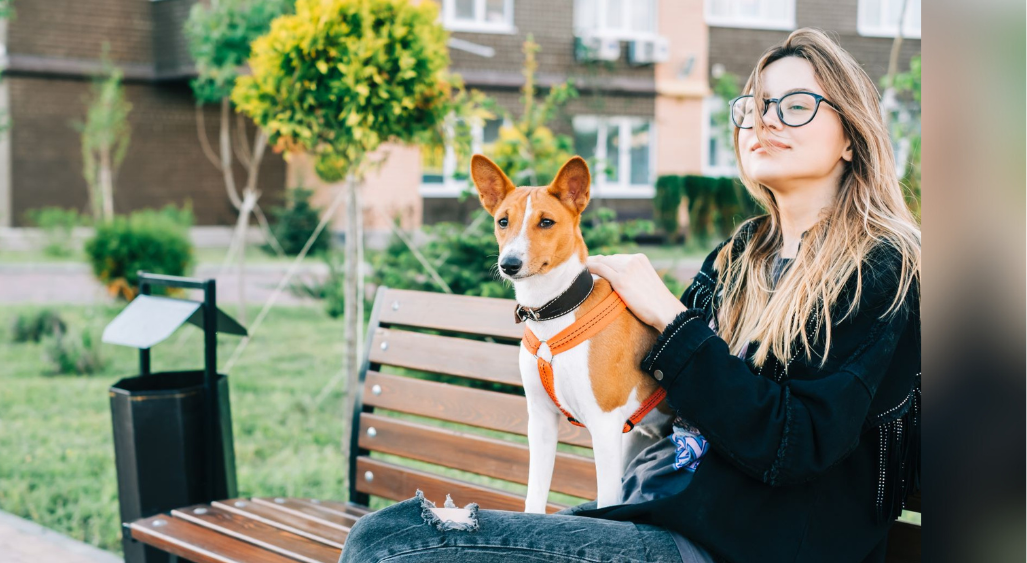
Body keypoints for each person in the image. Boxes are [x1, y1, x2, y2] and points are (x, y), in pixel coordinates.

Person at [338, 27, 920, 563]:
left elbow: (796, 445)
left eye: (794, 106)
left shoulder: (880, 268)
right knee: (386, 536)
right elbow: (665, 392)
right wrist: (575, 324)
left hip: (743, 545)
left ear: (852, 137)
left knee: (391, 544)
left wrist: (670, 317)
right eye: (755, 106)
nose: (765, 121)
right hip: (666, 513)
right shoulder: (740, 256)